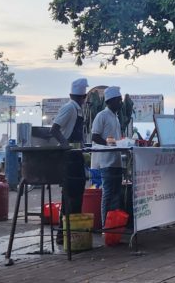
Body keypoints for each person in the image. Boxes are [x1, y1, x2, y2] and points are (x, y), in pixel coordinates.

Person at [50, 78, 90, 218]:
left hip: (77, 156)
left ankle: (71, 229)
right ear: (83, 97)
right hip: (69, 158)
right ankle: (64, 232)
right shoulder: (69, 108)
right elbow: (54, 130)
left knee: (78, 191)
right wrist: (65, 145)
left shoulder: (78, 110)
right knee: (71, 194)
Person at [91, 86, 125, 215]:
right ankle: (106, 226)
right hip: (106, 162)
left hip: (116, 162)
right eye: (118, 100)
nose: (120, 102)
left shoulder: (115, 117)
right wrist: (108, 144)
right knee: (108, 195)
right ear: (110, 101)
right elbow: (95, 136)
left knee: (116, 195)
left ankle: (113, 224)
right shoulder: (102, 116)